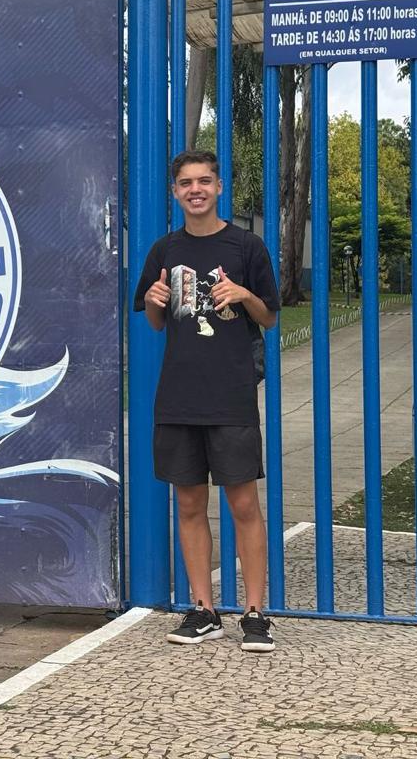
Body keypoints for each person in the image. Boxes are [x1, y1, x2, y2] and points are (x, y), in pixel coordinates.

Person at [133, 149, 281, 653]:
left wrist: (244, 295)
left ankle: (256, 613)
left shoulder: (246, 246)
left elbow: (270, 317)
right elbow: (157, 322)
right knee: (190, 503)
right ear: (175, 192)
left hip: (230, 396)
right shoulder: (164, 250)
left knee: (243, 504)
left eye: (203, 181)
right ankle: (204, 609)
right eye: (185, 183)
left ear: (219, 187)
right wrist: (154, 302)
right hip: (178, 397)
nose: (195, 190)